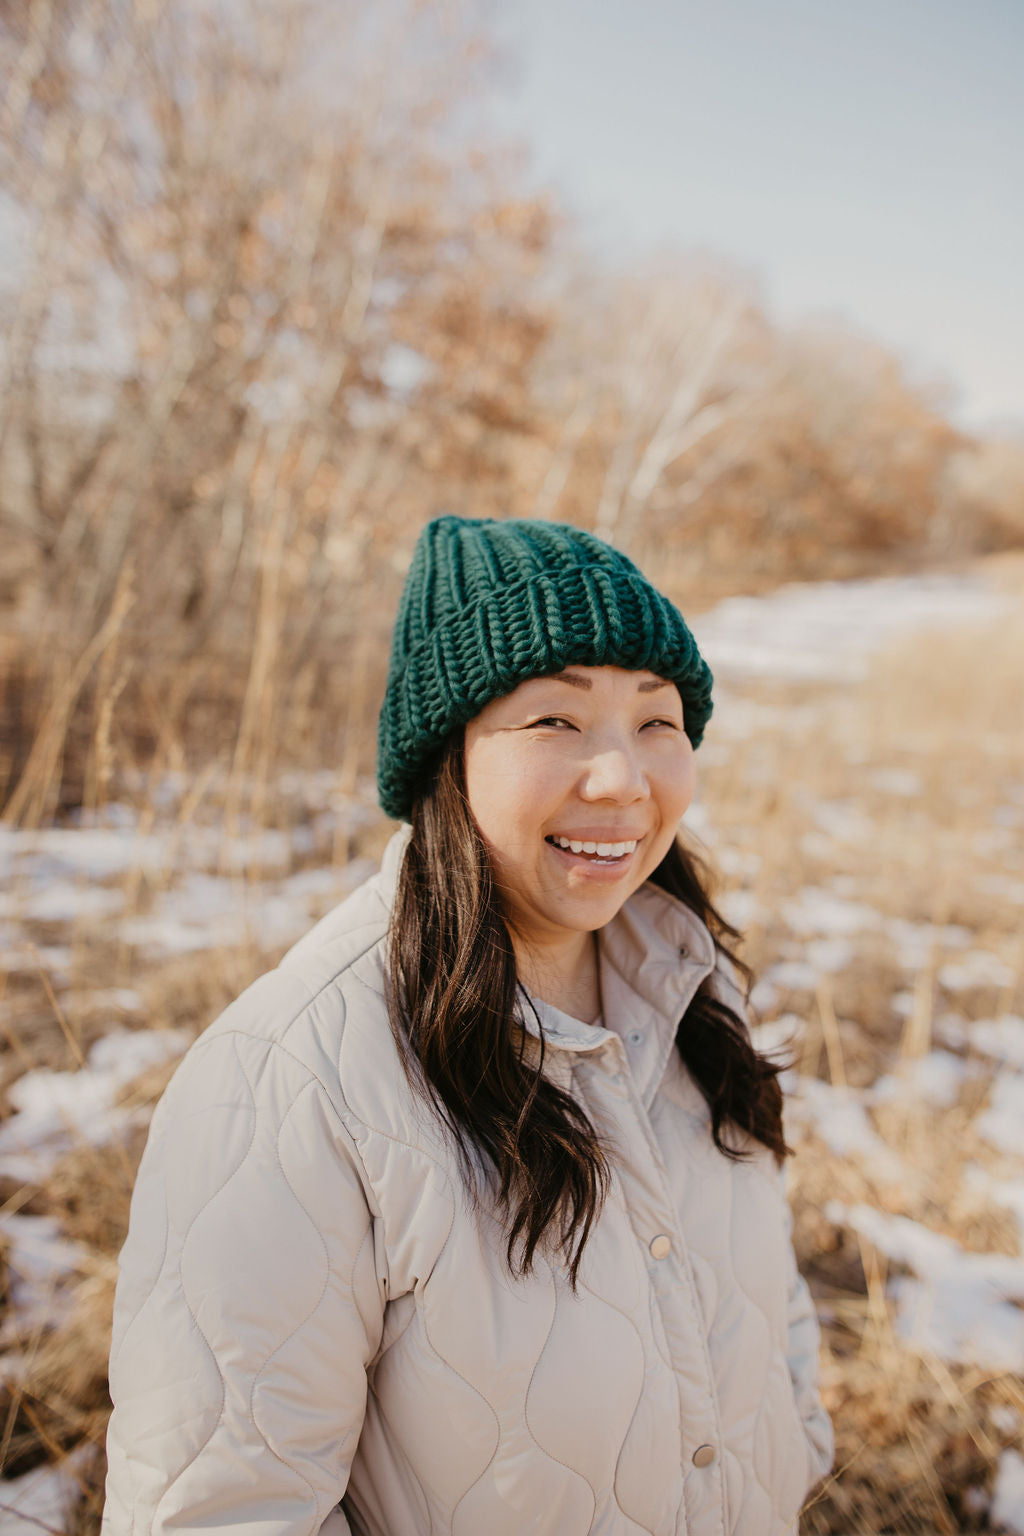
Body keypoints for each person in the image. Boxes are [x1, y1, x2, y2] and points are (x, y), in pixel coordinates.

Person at [102, 515, 834, 1536]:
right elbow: (223, 1509)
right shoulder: (292, 1077)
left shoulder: (689, 989)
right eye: (555, 722)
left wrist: (793, 1448)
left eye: (657, 721)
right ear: (448, 756)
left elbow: (767, 1306)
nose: (622, 776)